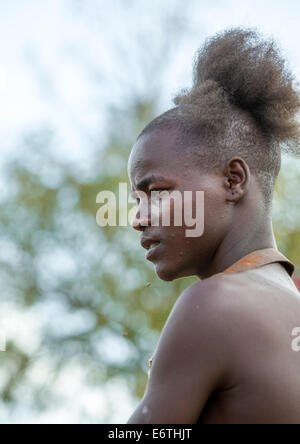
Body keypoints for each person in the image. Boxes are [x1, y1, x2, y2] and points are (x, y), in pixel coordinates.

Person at [127, 28, 300, 424]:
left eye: (156, 191)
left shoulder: (215, 304)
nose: (139, 218)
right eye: (137, 202)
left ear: (233, 180)